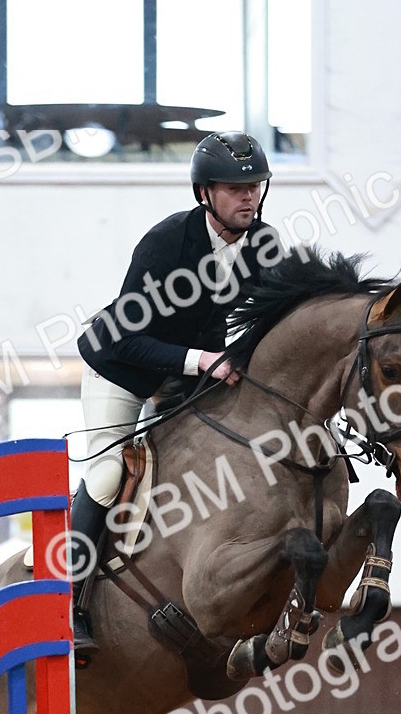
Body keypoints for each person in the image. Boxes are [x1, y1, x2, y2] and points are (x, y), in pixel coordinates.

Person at [71, 131, 281, 660]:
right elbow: (125, 334)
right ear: (204, 194)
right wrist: (202, 360)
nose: (247, 198)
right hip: (122, 369)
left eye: (254, 186)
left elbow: (277, 318)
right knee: (108, 474)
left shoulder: (264, 244)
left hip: (191, 378)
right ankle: (68, 598)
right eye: (234, 189)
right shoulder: (166, 243)